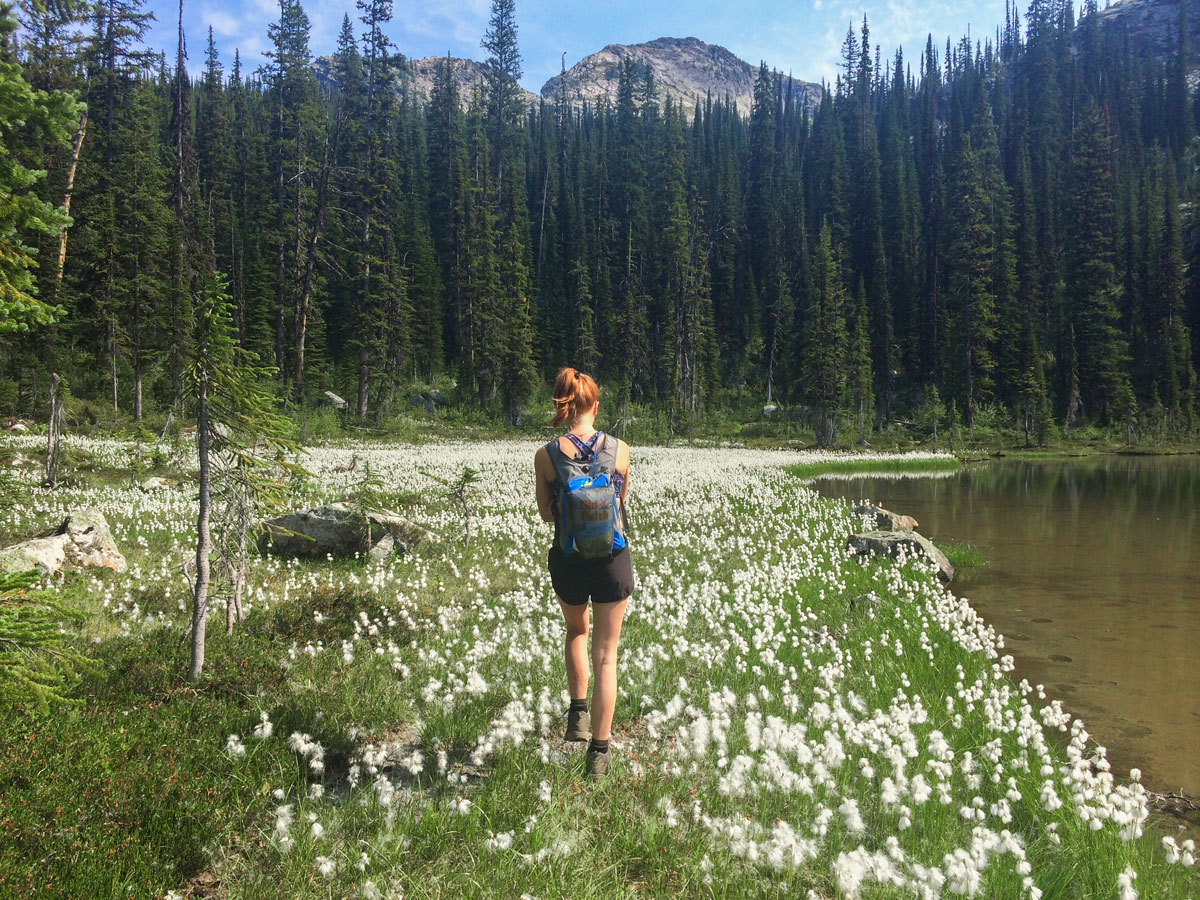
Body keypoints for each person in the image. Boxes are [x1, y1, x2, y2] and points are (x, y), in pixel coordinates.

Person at [534, 367, 633, 778]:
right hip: (612, 561)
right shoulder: (620, 448)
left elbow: (544, 514)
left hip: (569, 559)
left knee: (577, 631)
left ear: (561, 404)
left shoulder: (546, 455)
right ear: (594, 405)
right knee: (607, 657)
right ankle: (599, 754)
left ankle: (577, 715)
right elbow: (620, 501)